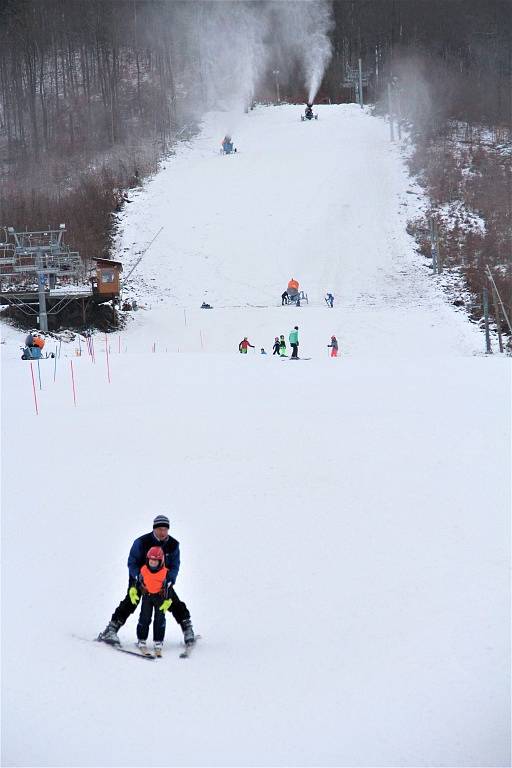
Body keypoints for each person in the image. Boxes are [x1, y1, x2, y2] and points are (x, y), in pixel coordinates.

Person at [98, 514, 195, 647]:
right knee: (131, 600)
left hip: (162, 581)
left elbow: (175, 566)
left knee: (173, 601)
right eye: (159, 529)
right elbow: (132, 562)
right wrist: (136, 578)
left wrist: (170, 580)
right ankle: (111, 628)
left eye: (165, 529)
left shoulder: (173, 545)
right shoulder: (141, 542)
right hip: (141, 579)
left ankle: (187, 628)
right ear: (154, 529)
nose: (162, 532)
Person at [136, 546, 170, 655]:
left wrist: (168, 600)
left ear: (161, 561)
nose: (153, 563)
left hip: (160, 598)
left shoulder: (165, 573)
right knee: (144, 618)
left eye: (155, 561)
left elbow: (169, 588)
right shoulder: (143, 570)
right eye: (151, 560)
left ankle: (158, 642)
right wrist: (135, 589)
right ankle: (141, 639)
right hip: (147, 597)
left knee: (160, 619)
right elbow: (138, 582)